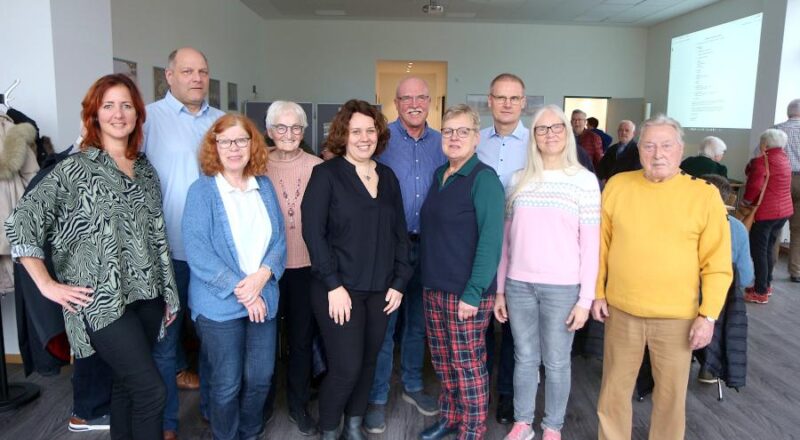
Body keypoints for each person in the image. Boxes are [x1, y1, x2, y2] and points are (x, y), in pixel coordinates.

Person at [4, 73, 180, 440]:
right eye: (109, 105)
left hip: (147, 296)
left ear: (137, 115)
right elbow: (21, 224)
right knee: (151, 391)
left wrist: (168, 292)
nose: (119, 114)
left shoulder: (146, 170)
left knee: (125, 386)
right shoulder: (73, 169)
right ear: (94, 114)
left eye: (127, 105)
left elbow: (156, 236)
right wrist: (47, 285)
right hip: (100, 301)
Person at [592, 115, 732, 440]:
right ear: (639, 149)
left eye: (666, 145)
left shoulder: (704, 195)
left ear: (680, 149)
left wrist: (708, 315)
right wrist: (598, 292)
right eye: (650, 145)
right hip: (621, 311)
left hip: (677, 318)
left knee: (670, 398)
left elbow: (717, 263)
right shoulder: (617, 185)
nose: (658, 154)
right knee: (613, 390)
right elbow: (600, 246)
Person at [302, 99, 412, 440]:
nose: (364, 138)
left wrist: (399, 281)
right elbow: (313, 234)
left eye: (370, 130)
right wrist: (333, 285)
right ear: (343, 135)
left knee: (368, 361)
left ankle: (354, 425)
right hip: (338, 291)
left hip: (381, 290)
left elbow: (400, 234)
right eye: (355, 131)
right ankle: (330, 429)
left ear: (378, 134)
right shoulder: (326, 174)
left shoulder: (388, 177)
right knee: (346, 367)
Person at [495, 105, 600, 440]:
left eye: (556, 127)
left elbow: (591, 245)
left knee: (556, 362)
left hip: (563, 288)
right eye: (541, 129)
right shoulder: (517, 180)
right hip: (518, 285)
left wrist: (586, 299)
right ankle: (523, 423)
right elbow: (505, 244)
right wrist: (500, 289)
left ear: (567, 132)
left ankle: (552, 426)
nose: (549, 134)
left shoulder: (583, 180)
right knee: (524, 358)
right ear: (533, 136)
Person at [182, 113, 286, 440]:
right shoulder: (202, 191)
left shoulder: (264, 186)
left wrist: (262, 278)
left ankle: (250, 432)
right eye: (225, 141)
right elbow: (198, 251)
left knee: (260, 378)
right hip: (218, 305)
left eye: (241, 140)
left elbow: (279, 240)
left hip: (263, 298)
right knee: (227, 384)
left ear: (252, 144)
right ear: (215, 146)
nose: (233, 148)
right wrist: (244, 290)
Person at [143, 47, 225, 440]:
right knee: (166, 340)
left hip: (216, 252)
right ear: (169, 75)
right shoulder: (147, 120)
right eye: (188, 71)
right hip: (168, 251)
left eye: (203, 71)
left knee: (213, 338)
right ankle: (167, 423)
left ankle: (212, 409)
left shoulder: (223, 122)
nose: (197, 78)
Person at [418, 104, 505, 440]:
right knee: (443, 363)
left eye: (462, 131)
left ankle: (472, 428)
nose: (454, 137)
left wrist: (473, 292)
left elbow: (491, 242)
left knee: (467, 365)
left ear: (476, 137)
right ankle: (451, 416)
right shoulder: (440, 175)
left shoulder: (484, 180)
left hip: (467, 294)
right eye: (448, 131)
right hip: (434, 288)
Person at [367, 77, 444, 433]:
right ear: (395, 103)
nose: (414, 103)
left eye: (421, 97)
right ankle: (378, 396)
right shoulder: (380, 142)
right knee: (385, 325)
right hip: (390, 248)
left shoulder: (444, 144)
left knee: (418, 323)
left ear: (430, 102)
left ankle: (413, 384)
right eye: (406, 98)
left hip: (429, 246)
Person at [263, 101, 323, 435]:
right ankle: (265, 402)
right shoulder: (256, 164)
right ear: (270, 131)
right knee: (265, 340)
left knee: (301, 339)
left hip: (306, 268)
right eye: (281, 128)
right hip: (267, 270)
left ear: (304, 131)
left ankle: (299, 405)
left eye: (296, 128)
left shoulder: (318, 166)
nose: (289, 134)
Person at [476, 72, 529, 425]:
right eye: (501, 97)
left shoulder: (538, 144)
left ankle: (508, 396)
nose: (507, 104)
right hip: (478, 245)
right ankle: (480, 392)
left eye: (514, 98)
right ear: (490, 101)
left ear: (523, 103)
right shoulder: (475, 140)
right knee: (480, 325)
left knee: (515, 328)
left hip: (522, 245)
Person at [741, 129, 794, 304]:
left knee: (759, 251)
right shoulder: (784, 159)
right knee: (769, 248)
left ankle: (760, 291)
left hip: (765, 213)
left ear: (764, 144)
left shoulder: (762, 161)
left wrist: (746, 202)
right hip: (783, 212)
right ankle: (765, 284)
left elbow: (754, 186)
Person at [774, 99, 800, 282]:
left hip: (780, 179)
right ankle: (796, 272)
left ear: (788, 112)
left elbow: (759, 154)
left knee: (775, 226)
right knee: (798, 230)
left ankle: (769, 269)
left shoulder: (776, 129)